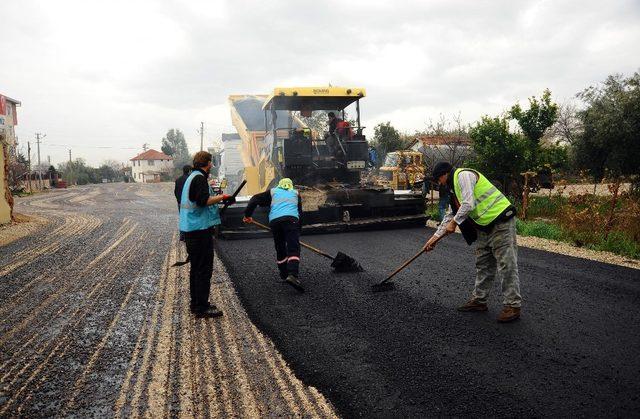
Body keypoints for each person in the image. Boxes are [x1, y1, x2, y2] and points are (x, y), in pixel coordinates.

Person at [423, 161, 521, 323]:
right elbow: (450, 215)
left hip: (501, 221)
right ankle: (479, 301)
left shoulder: (463, 176)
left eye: (437, 180)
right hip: (483, 226)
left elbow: (468, 205)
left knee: (506, 264)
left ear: (443, 175)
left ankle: (513, 305)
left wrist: (454, 223)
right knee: (483, 264)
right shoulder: (454, 189)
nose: (438, 184)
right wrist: (434, 239)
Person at [178, 151, 235, 318]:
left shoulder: (192, 177)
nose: (211, 166)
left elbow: (198, 200)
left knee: (196, 269)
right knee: (203, 270)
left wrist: (219, 199)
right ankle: (202, 307)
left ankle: (196, 304)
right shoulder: (200, 178)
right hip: (199, 231)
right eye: (211, 163)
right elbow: (203, 201)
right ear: (207, 163)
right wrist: (222, 197)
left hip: (191, 230)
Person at [242, 178, 304, 293]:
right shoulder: (296, 193)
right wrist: (297, 231)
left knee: (280, 246)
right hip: (291, 221)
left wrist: (247, 214)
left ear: (279, 185)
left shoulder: (273, 192)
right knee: (293, 247)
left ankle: (284, 274)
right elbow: (300, 213)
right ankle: (293, 275)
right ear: (291, 186)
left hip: (275, 222)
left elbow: (255, 199)